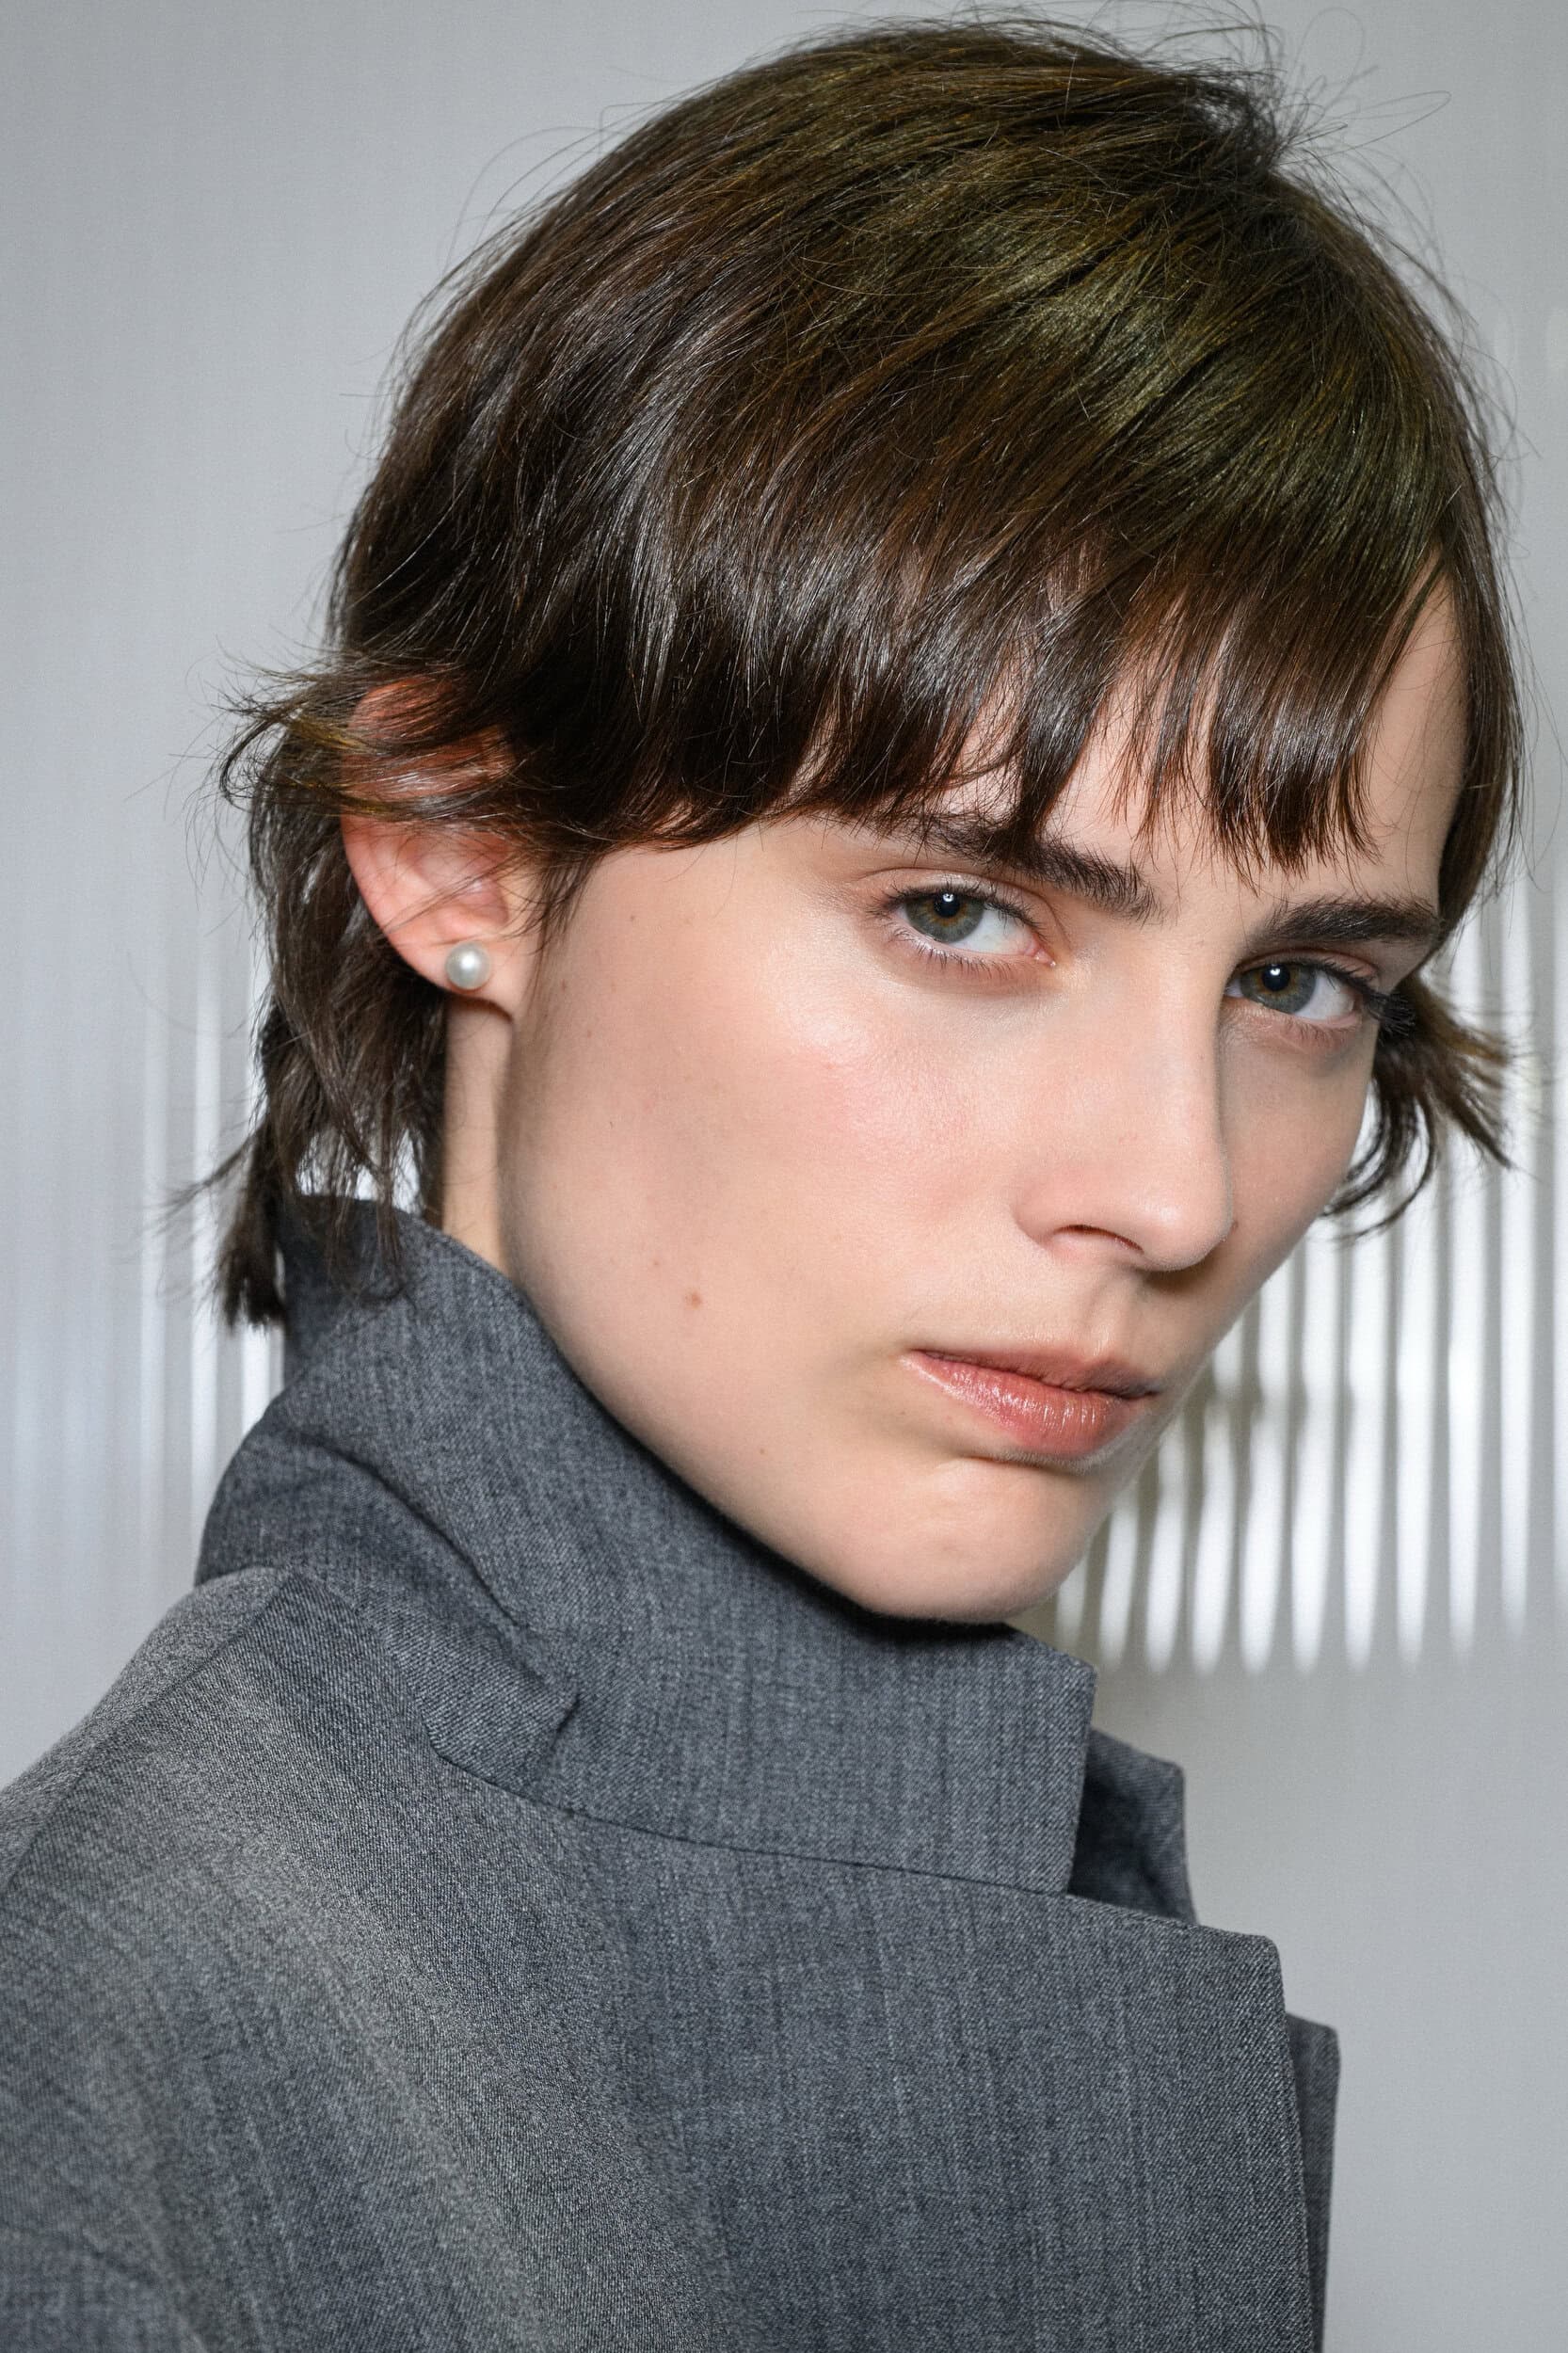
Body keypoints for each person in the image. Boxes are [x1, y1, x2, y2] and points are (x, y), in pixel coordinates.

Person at [0, 16, 1521, 2350]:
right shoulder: (119, 2053)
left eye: (1296, 980)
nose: (1173, 1188)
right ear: (460, 848)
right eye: (960, 911)